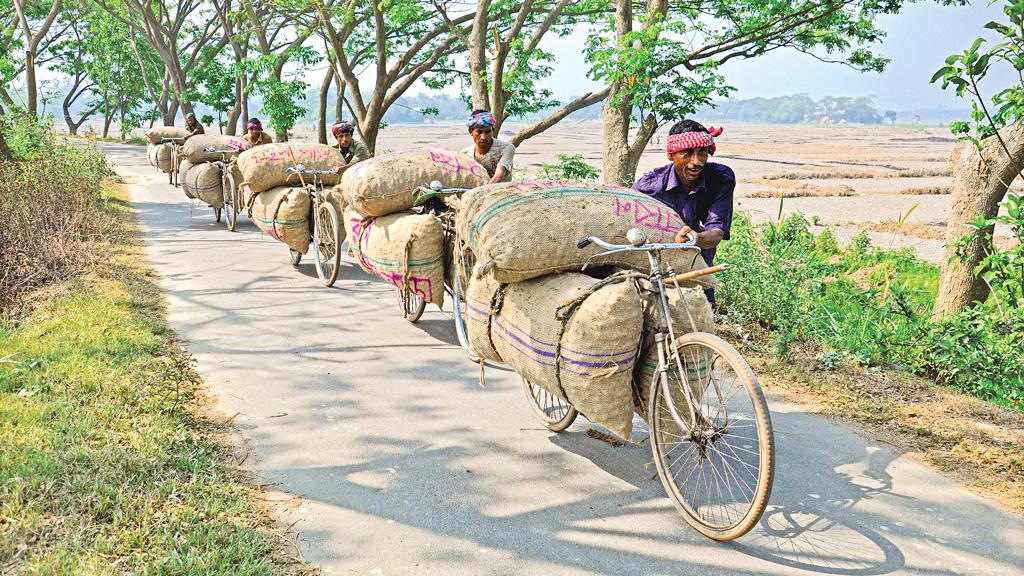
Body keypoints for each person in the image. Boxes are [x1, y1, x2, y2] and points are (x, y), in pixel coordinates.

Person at [632, 119, 734, 308]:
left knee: (703, 315)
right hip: (659, 264)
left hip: (698, 263)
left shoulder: (720, 178)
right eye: (687, 153)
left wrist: (696, 238)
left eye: (702, 152)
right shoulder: (648, 187)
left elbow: (717, 231)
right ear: (671, 155)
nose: (696, 162)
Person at [460, 110, 515, 183]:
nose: (483, 137)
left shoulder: (506, 148)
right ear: (471, 131)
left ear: (492, 130)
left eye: (487, 132)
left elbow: (498, 176)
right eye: (479, 132)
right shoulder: (465, 154)